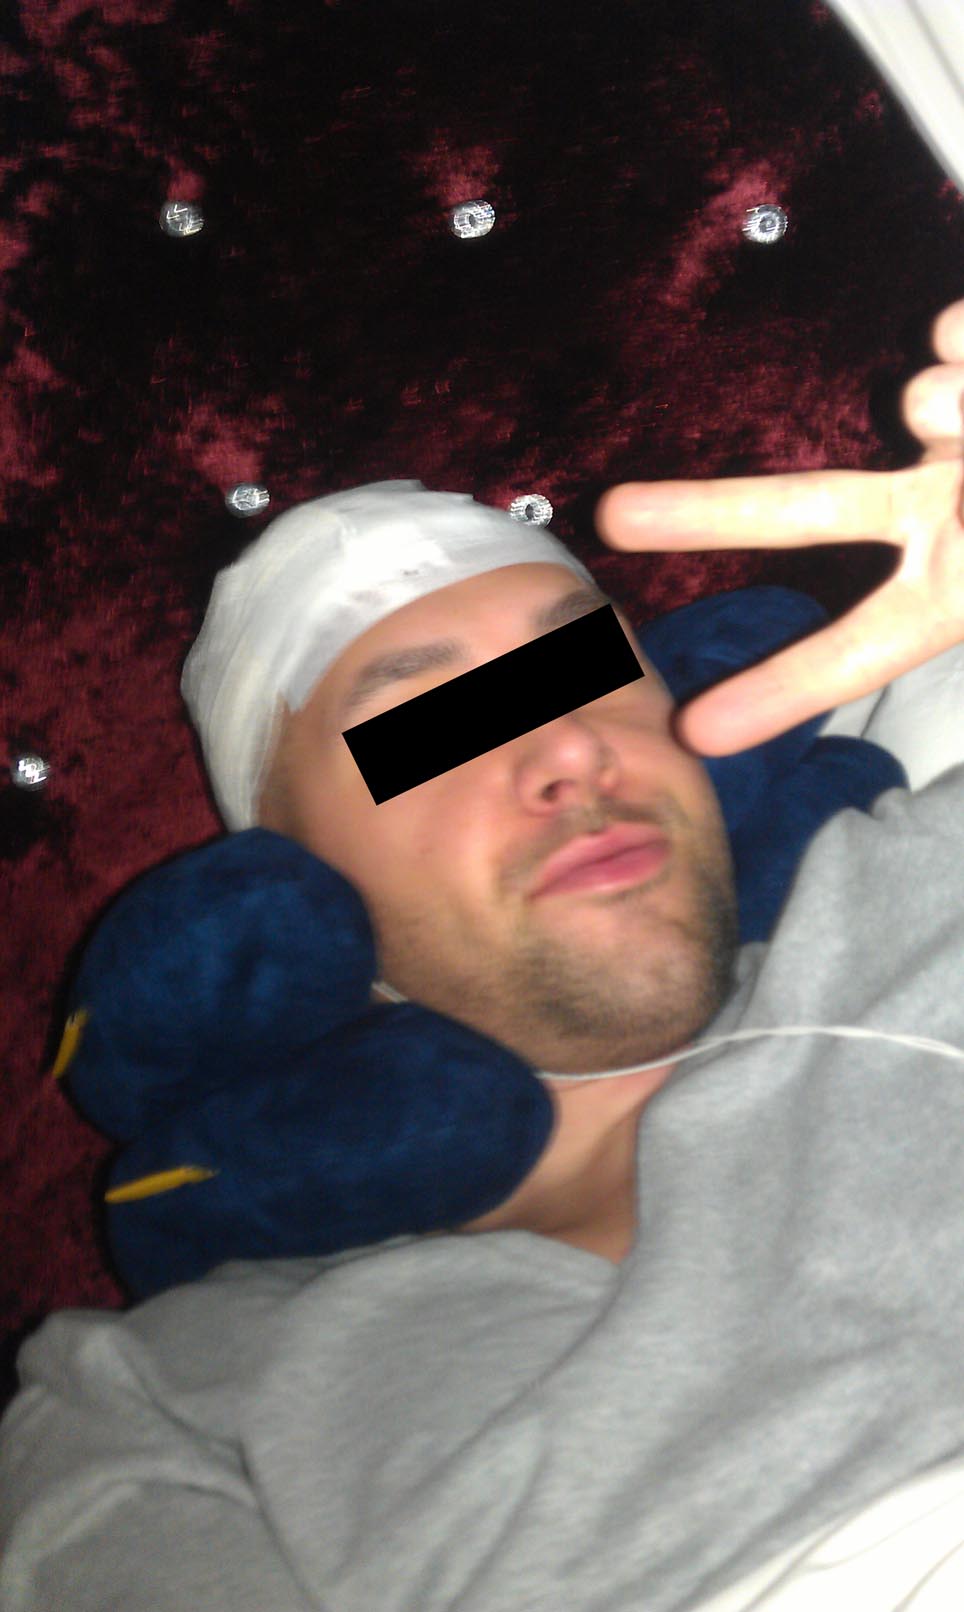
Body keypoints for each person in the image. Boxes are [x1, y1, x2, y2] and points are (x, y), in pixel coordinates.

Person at [0, 301, 963, 1612]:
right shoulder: (163, 1395)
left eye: (587, 673)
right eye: (426, 729)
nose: (566, 751)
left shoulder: (920, 888)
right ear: (295, 890)